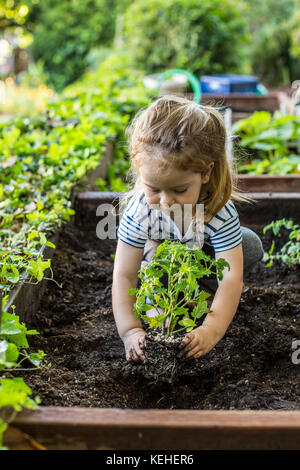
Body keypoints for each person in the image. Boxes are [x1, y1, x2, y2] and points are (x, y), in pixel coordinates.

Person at [112, 95, 263, 363]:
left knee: (249, 244)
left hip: (200, 259)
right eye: (154, 189)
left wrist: (210, 330)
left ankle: (200, 296)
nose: (166, 201)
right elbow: (124, 276)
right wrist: (131, 330)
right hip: (161, 263)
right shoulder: (139, 211)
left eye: (180, 190)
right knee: (150, 268)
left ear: (205, 173)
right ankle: (161, 295)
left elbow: (231, 279)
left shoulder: (219, 211)